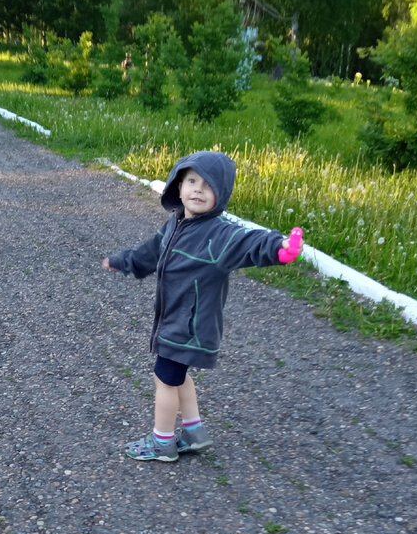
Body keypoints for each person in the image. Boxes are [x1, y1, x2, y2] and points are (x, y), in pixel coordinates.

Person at [102, 150, 304, 461]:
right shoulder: (176, 224)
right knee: (176, 375)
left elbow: (251, 242)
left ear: (220, 194)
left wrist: (280, 248)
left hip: (190, 325)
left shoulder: (220, 235)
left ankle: (162, 442)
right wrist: (123, 261)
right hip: (174, 319)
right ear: (178, 185)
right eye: (192, 181)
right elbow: (150, 253)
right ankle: (194, 433)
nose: (198, 189)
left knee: (165, 378)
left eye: (208, 185)